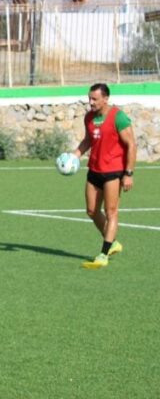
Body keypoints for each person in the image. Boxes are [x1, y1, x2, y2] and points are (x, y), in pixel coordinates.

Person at [68, 82, 137, 269]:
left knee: (111, 212)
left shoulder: (118, 117)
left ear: (106, 99)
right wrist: (74, 155)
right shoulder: (89, 117)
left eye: (95, 99)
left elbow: (131, 144)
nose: (90, 102)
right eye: (89, 98)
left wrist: (128, 173)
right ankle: (112, 242)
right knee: (91, 211)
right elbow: (88, 140)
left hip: (113, 172)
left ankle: (103, 254)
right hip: (94, 170)